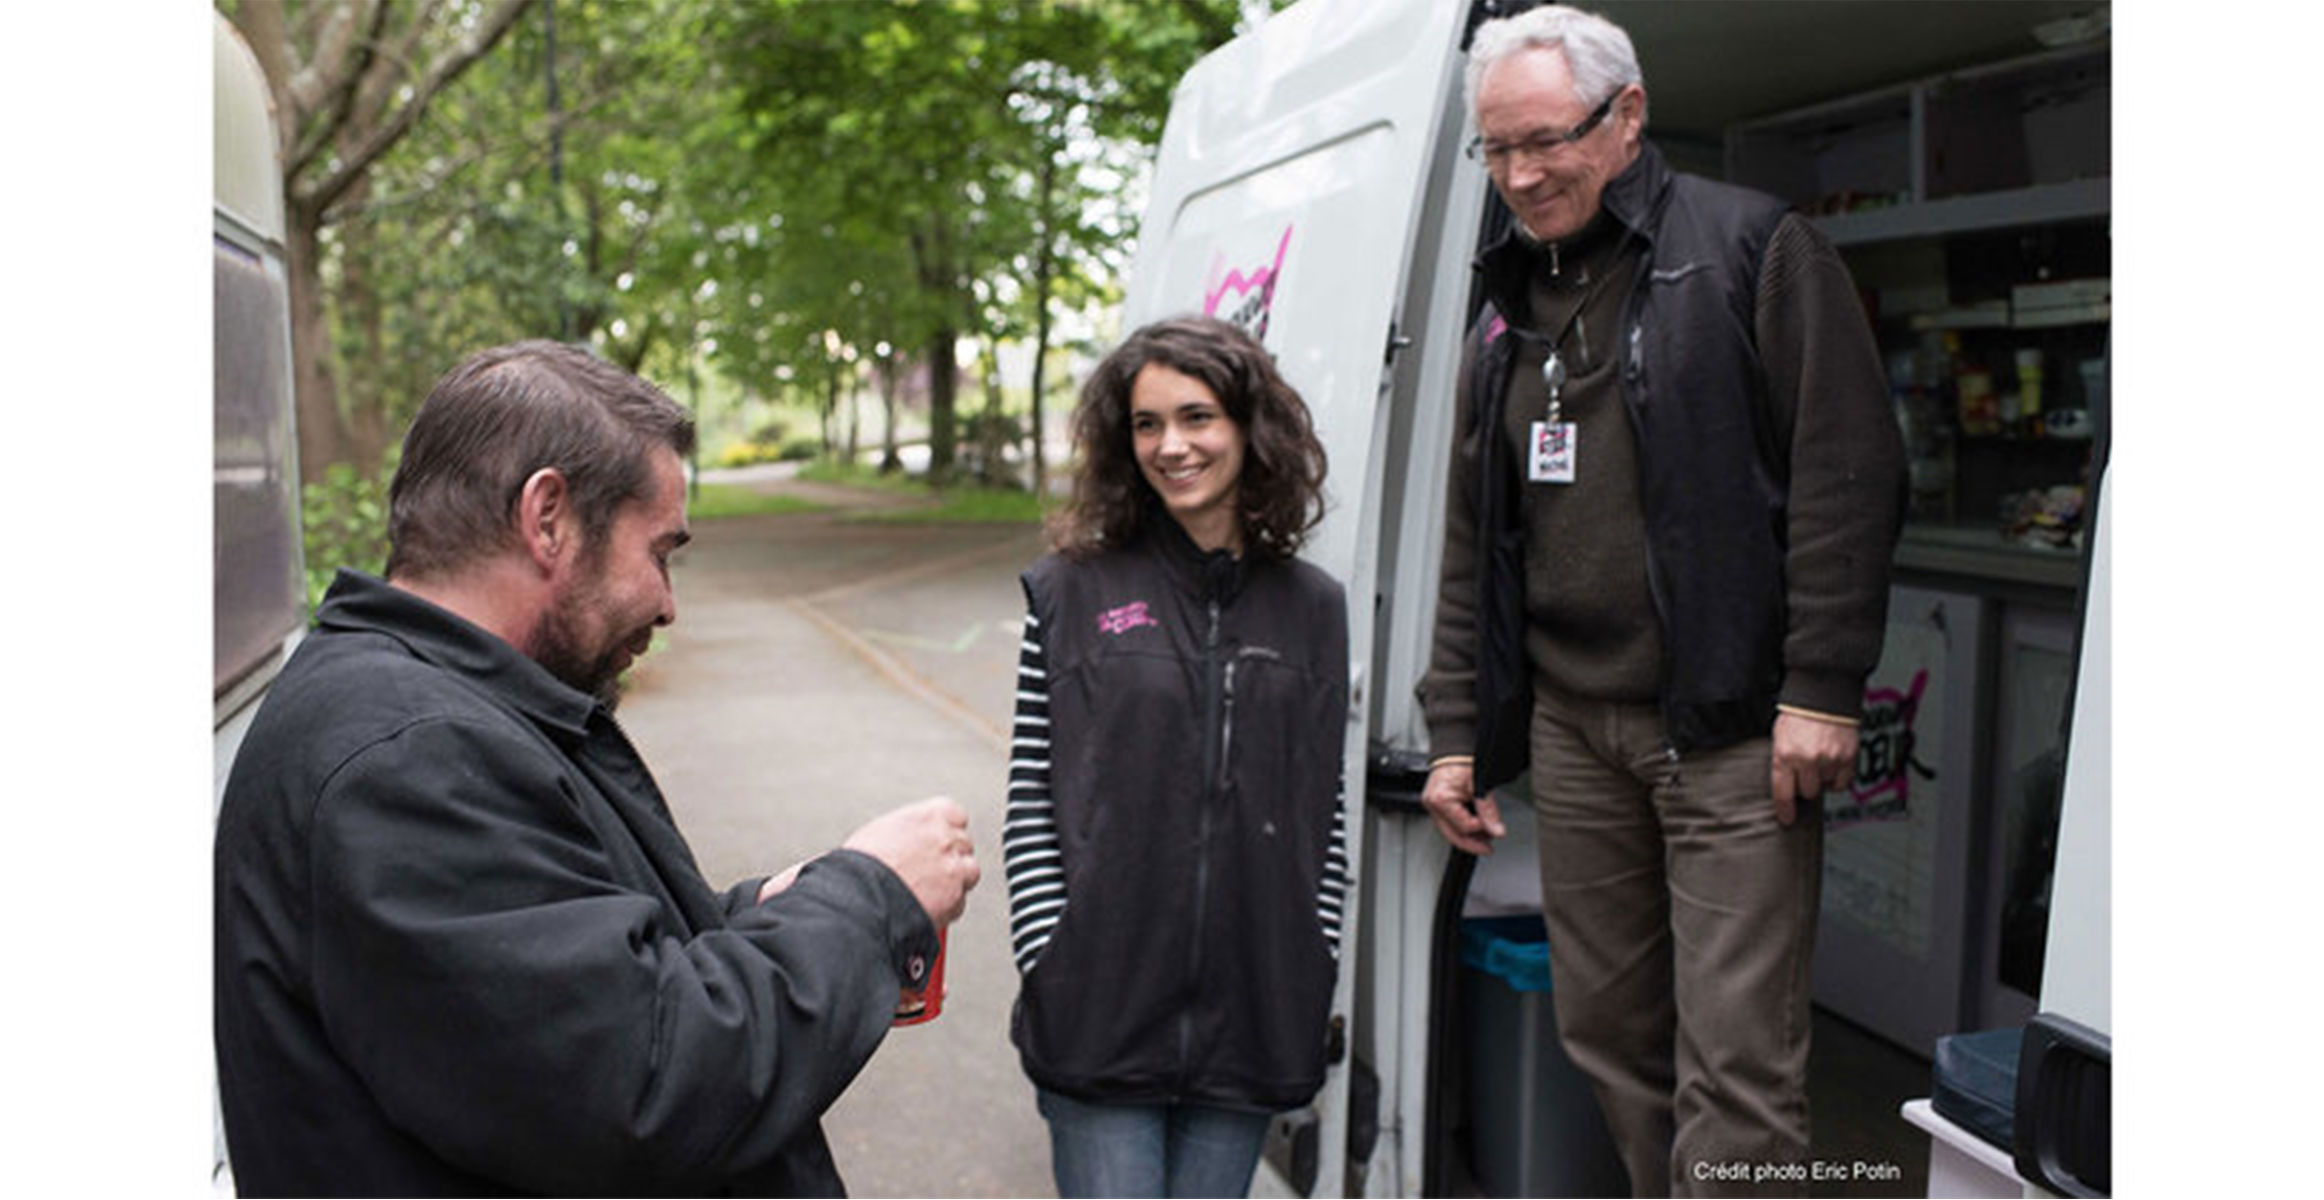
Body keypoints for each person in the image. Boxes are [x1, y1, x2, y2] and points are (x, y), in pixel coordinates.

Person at [213, 340, 982, 1197]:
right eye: (660, 552)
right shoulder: (404, 758)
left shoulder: (432, 709)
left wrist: (758, 912)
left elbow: (546, 982)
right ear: (549, 518)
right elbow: (645, 1086)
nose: (668, 602)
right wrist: (869, 900)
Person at [1415, 7, 1907, 1197]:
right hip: (1576, 741)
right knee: (1606, 1033)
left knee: (1737, 1065)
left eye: (1545, 139)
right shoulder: (1506, 309)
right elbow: (1474, 539)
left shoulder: (1752, 249)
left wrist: (1821, 689)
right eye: (1496, 150)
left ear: (1625, 116)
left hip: (1730, 733)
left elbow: (1847, 471)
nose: (1521, 174)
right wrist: (1452, 735)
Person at [1002, 316, 1349, 1198]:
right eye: (1147, 424)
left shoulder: (1313, 607)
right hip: (1101, 1004)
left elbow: (1324, 809)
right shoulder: (1071, 590)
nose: (1172, 445)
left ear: (1248, 427)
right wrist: (1052, 952)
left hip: (1255, 1008)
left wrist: (1312, 952)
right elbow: (1034, 794)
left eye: (1196, 417)